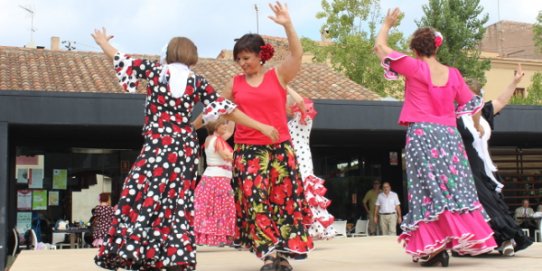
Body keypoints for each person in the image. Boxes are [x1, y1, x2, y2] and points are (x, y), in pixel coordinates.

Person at [91, 28, 278, 271]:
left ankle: (137, 250)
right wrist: (260, 125)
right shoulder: (197, 82)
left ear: (168, 53)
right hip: (184, 147)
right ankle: (174, 256)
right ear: (193, 56)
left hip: (159, 144)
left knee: (143, 194)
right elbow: (227, 110)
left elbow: (121, 59)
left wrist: (103, 42)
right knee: (178, 202)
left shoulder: (155, 72)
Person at [374, 8, 497, 267]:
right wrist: (478, 126)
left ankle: (435, 248)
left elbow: (380, 48)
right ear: (436, 48)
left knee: (425, 191)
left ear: (416, 50)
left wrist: (387, 24)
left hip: (422, 133)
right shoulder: (453, 74)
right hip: (449, 137)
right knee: (453, 190)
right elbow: (472, 104)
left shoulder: (414, 66)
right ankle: (443, 245)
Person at [221, 2, 314, 271]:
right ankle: (269, 252)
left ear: (261, 55)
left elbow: (297, 54)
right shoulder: (234, 83)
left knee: (284, 201)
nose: (242, 63)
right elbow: (219, 110)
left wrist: (287, 24)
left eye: (246, 58)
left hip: (279, 149)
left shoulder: (278, 76)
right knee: (254, 200)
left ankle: (283, 255)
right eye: (238, 59)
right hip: (248, 151)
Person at [457, 66, 532, 256]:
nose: (470, 100)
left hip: (485, 168)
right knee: (472, 205)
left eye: (473, 96)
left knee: (492, 202)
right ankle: (475, 243)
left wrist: (515, 82)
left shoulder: (483, 113)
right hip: (464, 169)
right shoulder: (453, 116)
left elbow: (501, 100)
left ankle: (506, 239)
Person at [287, 96, 335, 239]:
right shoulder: (291, 122)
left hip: (301, 158)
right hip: (293, 158)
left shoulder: (305, 119)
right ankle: (301, 227)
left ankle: (312, 227)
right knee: (297, 191)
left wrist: (286, 87)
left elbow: (303, 106)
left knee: (306, 191)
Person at [193, 117, 236, 247]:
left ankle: (204, 236)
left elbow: (230, 130)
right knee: (221, 209)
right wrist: (243, 156)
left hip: (211, 177)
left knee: (207, 209)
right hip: (219, 179)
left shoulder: (210, 139)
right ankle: (220, 238)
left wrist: (233, 114)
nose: (225, 126)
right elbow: (226, 156)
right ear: (216, 127)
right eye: (223, 124)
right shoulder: (218, 141)